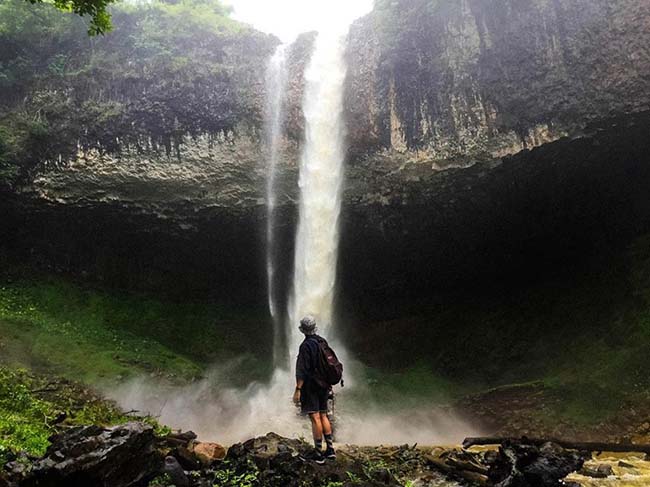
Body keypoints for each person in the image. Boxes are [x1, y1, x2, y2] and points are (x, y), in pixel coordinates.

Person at [293, 315, 336, 464]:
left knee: (315, 417)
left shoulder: (305, 346)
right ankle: (330, 450)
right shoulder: (322, 341)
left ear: (303, 330)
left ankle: (318, 453)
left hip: (311, 386)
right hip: (324, 385)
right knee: (324, 415)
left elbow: (302, 370)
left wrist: (298, 389)